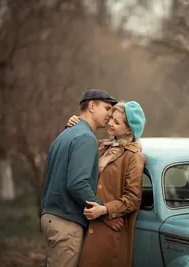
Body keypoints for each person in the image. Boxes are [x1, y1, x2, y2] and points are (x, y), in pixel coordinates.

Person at [40, 89, 117, 267]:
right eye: (106, 108)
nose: (109, 114)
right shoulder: (86, 138)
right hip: (66, 221)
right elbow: (77, 183)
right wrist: (102, 211)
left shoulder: (65, 134)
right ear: (91, 106)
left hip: (50, 217)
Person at [66, 100, 146, 267]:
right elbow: (78, 154)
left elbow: (133, 198)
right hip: (87, 223)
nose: (110, 123)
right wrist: (74, 126)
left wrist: (104, 209)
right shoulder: (103, 146)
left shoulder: (133, 157)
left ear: (129, 129)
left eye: (116, 122)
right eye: (111, 118)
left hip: (110, 231)